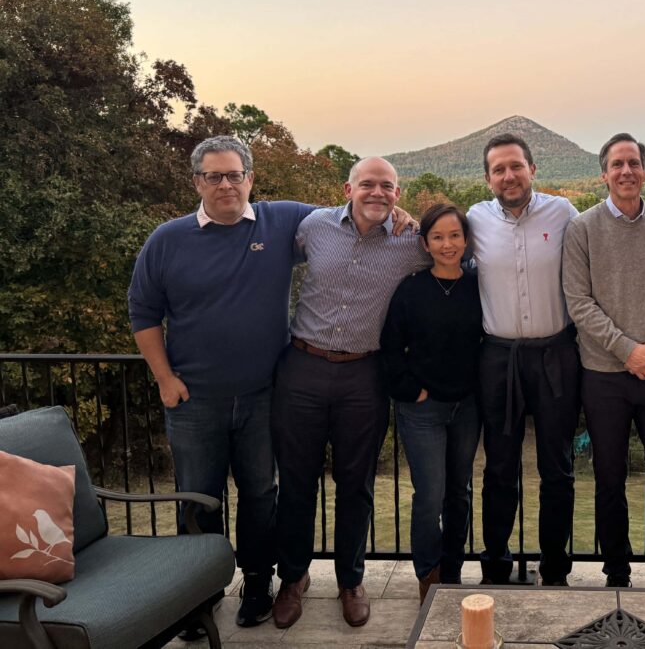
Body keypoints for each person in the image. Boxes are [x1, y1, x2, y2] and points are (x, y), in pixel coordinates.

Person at [128, 135, 315, 634]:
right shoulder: (167, 239)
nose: (226, 183)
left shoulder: (282, 221)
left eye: (235, 174)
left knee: (260, 494)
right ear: (197, 182)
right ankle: (197, 596)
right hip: (193, 401)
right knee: (196, 499)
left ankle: (258, 584)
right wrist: (164, 380)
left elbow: (352, 218)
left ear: (251, 178)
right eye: (214, 175)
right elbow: (143, 313)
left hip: (262, 395)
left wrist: (400, 219)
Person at [270, 157, 429, 630]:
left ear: (398, 194)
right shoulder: (313, 227)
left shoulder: (410, 241)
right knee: (296, 481)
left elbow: (454, 256)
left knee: (355, 484)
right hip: (302, 366)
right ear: (348, 188)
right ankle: (293, 579)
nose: (377, 192)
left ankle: (351, 580)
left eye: (387, 186)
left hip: (364, 375)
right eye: (368, 184)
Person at [561, 132, 645, 589]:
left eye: (633, 163)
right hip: (603, 376)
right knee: (609, 480)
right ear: (604, 173)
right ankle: (617, 574)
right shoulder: (581, 228)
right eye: (617, 164)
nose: (626, 171)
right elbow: (578, 302)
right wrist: (626, 349)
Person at [467, 133, 582, 586]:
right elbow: (433, 243)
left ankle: (555, 568)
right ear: (488, 177)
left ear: (533, 169)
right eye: (499, 169)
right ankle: (495, 567)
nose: (509, 175)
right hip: (498, 358)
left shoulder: (565, 213)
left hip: (556, 354)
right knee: (499, 467)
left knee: (557, 468)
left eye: (516, 166)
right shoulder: (474, 219)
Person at [381, 203, 484, 603]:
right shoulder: (411, 289)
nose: (447, 244)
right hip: (422, 409)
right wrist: (410, 390)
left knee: (459, 492)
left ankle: (453, 571)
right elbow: (390, 346)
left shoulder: (478, 284)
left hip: (467, 407)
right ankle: (429, 572)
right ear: (425, 243)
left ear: (466, 240)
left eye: (455, 236)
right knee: (430, 494)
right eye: (438, 237)